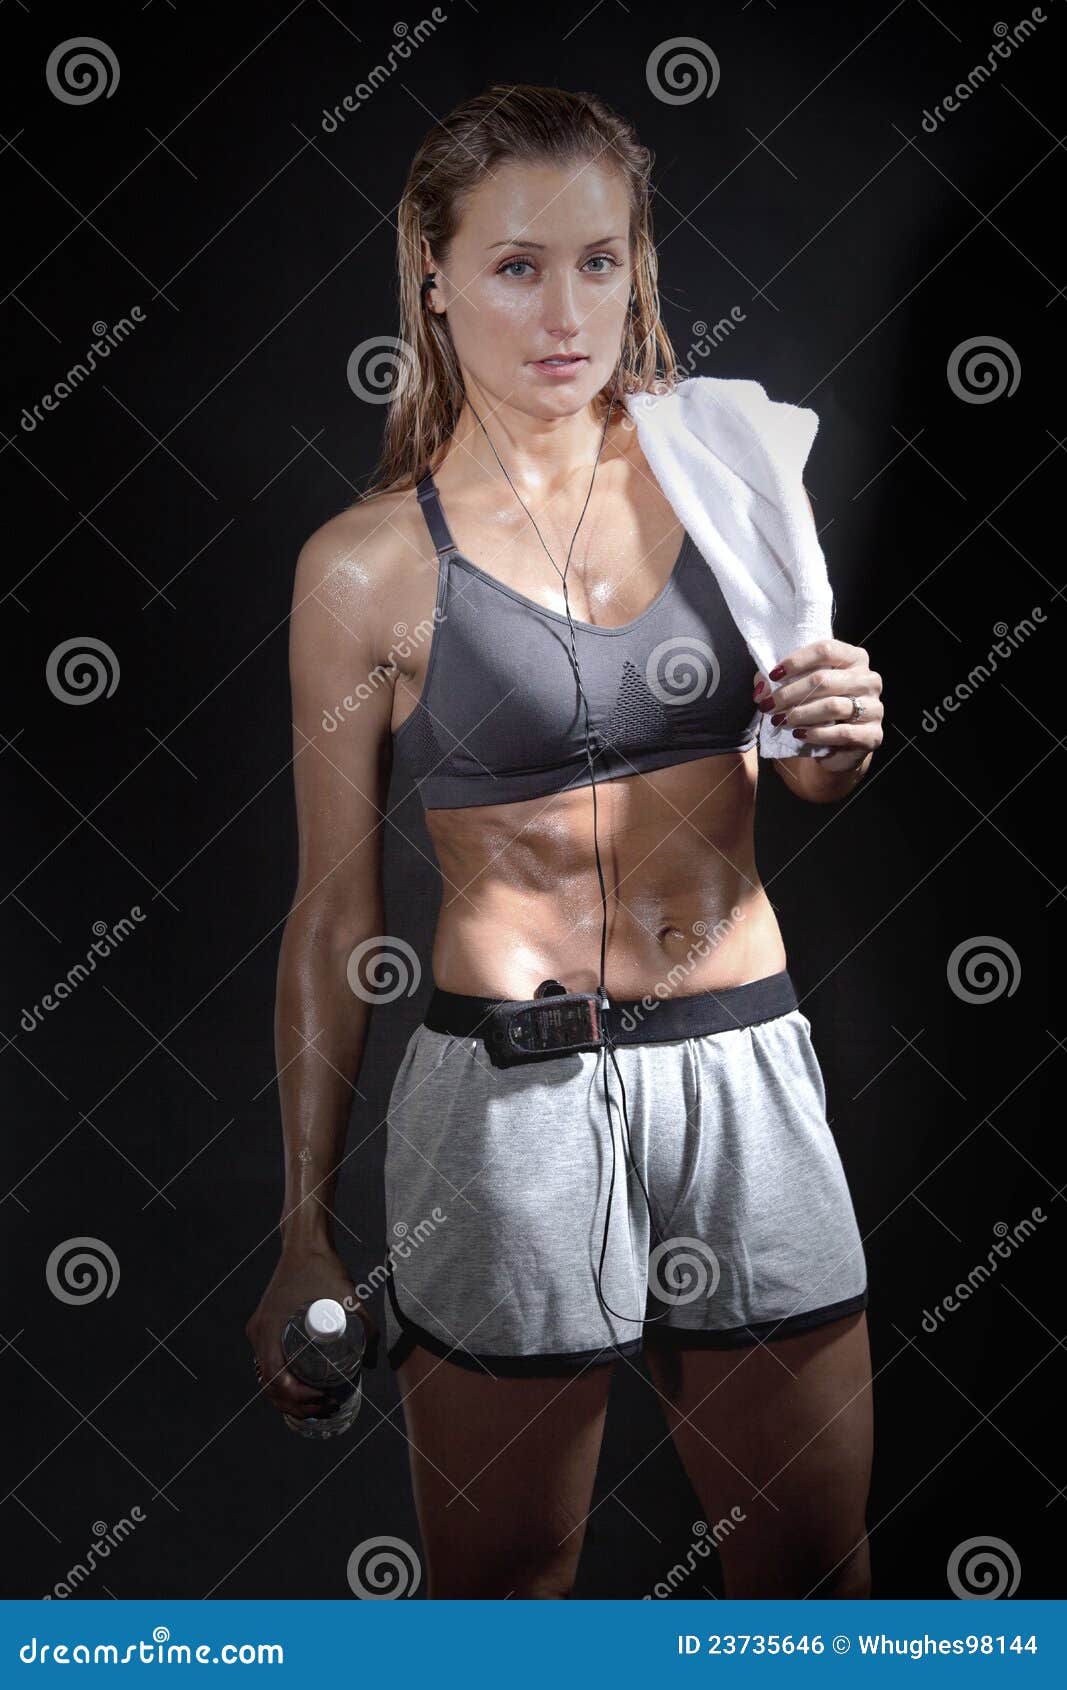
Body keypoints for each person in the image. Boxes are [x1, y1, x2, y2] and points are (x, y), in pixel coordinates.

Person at [246, 84, 884, 1600]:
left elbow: (804, 772)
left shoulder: (730, 468)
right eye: (519, 265)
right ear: (436, 275)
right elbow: (335, 917)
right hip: (505, 1108)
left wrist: (840, 739)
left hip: (740, 1058)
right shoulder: (367, 565)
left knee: (810, 1579)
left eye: (601, 262)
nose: (567, 308)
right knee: (503, 1600)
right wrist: (300, 1229)